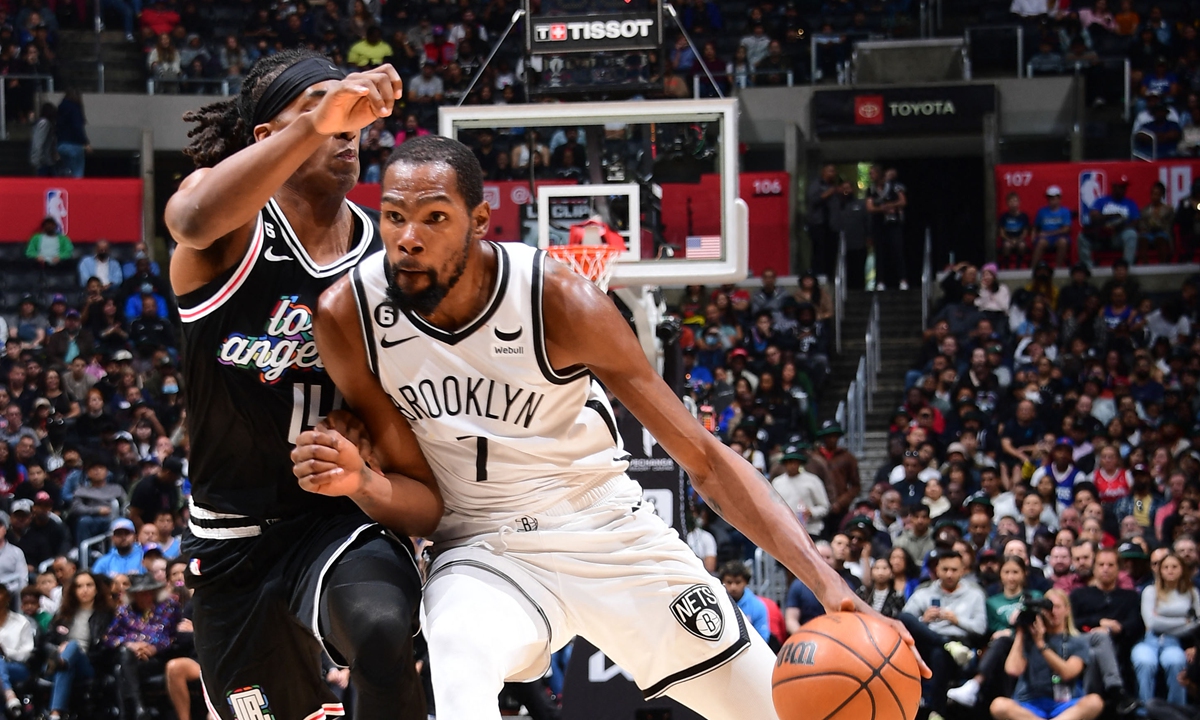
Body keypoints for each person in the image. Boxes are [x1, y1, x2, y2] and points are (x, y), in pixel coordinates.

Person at [294, 134, 929, 720]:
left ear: (480, 223)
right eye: (394, 217)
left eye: (434, 217)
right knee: (459, 660)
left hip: (607, 531)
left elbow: (703, 459)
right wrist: (363, 482)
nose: (408, 238)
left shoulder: (559, 299)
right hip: (482, 550)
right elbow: (426, 505)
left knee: (767, 710)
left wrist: (827, 583)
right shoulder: (348, 316)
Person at [164, 51, 434, 720]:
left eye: (351, 115)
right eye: (316, 105)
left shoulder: (384, 257)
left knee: (379, 628)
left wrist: (366, 435)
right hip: (231, 541)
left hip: (332, 517)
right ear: (267, 139)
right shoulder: (228, 231)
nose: (344, 127)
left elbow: (406, 409)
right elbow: (191, 218)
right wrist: (318, 121)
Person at [988, 589, 1104, 720]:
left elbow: (1068, 673)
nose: (1053, 611)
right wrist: (1021, 632)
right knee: (998, 705)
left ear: (1067, 610)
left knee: (1095, 701)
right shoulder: (1027, 639)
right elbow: (1013, 670)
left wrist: (1041, 645)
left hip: (1065, 704)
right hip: (1029, 703)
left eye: (1057, 607)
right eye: (1048, 607)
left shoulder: (1077, 641)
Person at [900, 550, 988, 716]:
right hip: (927, 644)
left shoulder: (974, 595)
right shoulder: (923, 593)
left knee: (939, 653)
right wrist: (923, 620)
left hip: (961, 650)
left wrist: (957, 620)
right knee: (903, 617)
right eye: (945, 569)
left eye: (954, 570)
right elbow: (904, 622)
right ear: (937, 570)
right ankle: (946, 644)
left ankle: (936, 712)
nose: (949, 574)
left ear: (963, 571)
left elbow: (981, 628)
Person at [105, 573, 181, 720]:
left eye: (148, 593)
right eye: (140, 594)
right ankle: (139, 709)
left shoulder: (169, 607)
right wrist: (132, 644)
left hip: (159, 658)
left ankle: (129, 714)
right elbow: (108, 637)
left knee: (120, 669)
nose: (145, 597)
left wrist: (152, 648)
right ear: (133, 595)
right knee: (123, 661)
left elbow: (170, 635)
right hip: (133, 659)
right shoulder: (124, 611)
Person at [45, 571, 115, 720]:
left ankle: (60, 662)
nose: (85, 590)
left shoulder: (106, 615)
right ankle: (55, 715)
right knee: (66, 666)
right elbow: (47, 640)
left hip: (88, 664)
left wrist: (72, 650)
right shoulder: (63, 614)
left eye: (89, 585)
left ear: (96, 589)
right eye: (79, 586)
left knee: (73, 646)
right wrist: (58, 648)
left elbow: (105, 648)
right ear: (73, 590)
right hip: (65, 660)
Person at [1132, 552, 1200, 706]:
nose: (1170, 570)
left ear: (1182, 569)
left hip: (1174, 642)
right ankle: (1144, 710)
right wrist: (1186, 621)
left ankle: (1176, 710)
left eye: (1174, 566)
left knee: (1175, 661)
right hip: (1149, 640)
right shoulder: (1150, 591)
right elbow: (1151, 623)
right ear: (1159, 570)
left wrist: (1164, 622)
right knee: (1145, 662)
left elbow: (1199, 623)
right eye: (1166, 567)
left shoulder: (1192, 593)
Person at [771, 444, 830, 537]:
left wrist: (811, 512)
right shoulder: (777, 482)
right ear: (784, 463)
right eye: (789, 462)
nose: (792, 465)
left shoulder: (813, 480)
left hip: (809, 530)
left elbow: (824, 507)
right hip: (785, 531)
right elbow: (772, 507)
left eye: (795, 462)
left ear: (800, 463)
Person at [1079, 176, 1139, 268]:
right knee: (1082, 237)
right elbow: (1093, 216)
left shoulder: (1130, 203)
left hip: (1118, 236)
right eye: (1121, 187)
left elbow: (1135, 222)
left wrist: (1119, 228)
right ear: (1114, 187)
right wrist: (1111, 216)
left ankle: (1126, 267)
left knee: (1131, 234)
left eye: (1124, 187)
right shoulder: (1102, 201)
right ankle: (1088, 268)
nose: (1123, 190)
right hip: (1101, 236)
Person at [866, 165, 908, 291]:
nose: (871, 176)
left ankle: (903, 279)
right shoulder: (871, 190)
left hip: (893, 223)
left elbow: (903, 201)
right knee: (879, 252)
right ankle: (880, 281)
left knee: (897, 251)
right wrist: (882, 209)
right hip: (879, 225)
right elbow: (869, 207)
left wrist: (891, 205)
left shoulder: (895, 186)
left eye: (873, 173)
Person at [719, 561, 771, 642]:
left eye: (738, 582)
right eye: (729, 582)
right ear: (722, 582)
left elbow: (763, 639)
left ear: (746, 583)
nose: (733, 587)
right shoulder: (715, 603)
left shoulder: (757, 606)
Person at [1033, 186, 1072, 269]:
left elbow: (1066, 229)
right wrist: (1033, 235)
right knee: (1041, 243)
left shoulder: (1065, 211)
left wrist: (1048, 233)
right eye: (1050, 198)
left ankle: (1058, 268)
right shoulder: (1042, 211)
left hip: (1059, 236)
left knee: (1062, 242)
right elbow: (1035, 226)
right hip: (1045, 238)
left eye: (1055, 198)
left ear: (1059, 199)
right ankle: (1033, 269)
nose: (1052, 201)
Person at [56, 89, 90, 179]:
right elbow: (77, 127)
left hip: (61, 144)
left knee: (66, 171)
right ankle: (77, 192)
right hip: (74, 145)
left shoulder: (60, 108)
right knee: (77, 173)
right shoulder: (75, 108)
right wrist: (85, 142)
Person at [999, 192, 1033, 268]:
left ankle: (1018, 266)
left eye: (1015, 201)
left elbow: (1025, 232)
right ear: (1007, 203)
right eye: (1011, 201)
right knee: (1007, 246)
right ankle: (1006, 267)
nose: (1013, 203)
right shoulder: (1004, 216)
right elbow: (1002, 233)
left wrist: (1017, 240)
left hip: (1020, 239)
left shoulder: (1024, 216)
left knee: (1022, 245)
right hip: (1008, 239)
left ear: (1019, 202)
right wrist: (1010, 240)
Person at [30, 102, 58, 177]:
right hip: (44, 161)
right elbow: (38, 142)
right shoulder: (44, 123)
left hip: (45, 160)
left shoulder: (44, 123)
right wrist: (36, 159)